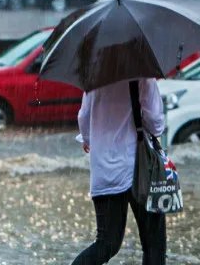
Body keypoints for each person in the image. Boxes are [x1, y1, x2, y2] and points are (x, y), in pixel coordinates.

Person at [73, 78, 166, 265]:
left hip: (105, 171)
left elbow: (84, 117)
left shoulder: (96, 73)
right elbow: (155, 123)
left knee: (107, 243)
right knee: (153, 244)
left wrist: (88, 139)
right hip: (139, 169)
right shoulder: (142, 72)